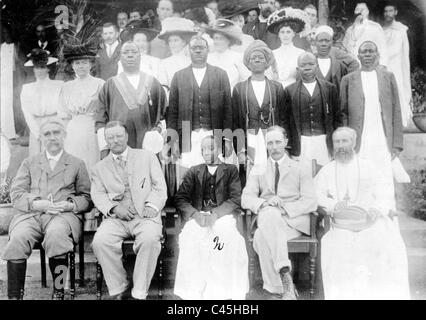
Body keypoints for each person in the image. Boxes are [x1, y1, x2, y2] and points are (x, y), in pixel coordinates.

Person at [315, 127, 410, 299]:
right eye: (337, 142)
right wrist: (333, 205)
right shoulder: (327, 170)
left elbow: (384, 191)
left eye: (345, 141)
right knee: (338, 248)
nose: (341, 146)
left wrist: (377, 208)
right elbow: (316, 195)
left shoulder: (369, 167)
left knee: (386, 243)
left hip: (369, 221)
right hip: (341, 225)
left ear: (354, 143)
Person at [2, 119, 91, 300]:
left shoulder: (76, 163)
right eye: (47, 134)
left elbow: (87, 198)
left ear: (64, 136)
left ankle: (58, 292)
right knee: (18, 237)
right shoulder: (29, 162)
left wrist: (71, 205)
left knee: (57, 235)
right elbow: (17, 194)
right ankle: (14, 296)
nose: (52, 138)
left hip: (63, 216)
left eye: (56, 133)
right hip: (32, 215)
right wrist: (36, 204)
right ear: (41, 138)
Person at [91, 121, 167, 300]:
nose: (115, 141)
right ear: (106, 141)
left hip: (145, 216)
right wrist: (115, 208)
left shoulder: (147, 157)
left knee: (149, 239)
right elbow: (99, 195)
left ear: (126, 137)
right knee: (100, 241)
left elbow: (160, 187)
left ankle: (139, 291)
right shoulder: (99, 168)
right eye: (110, 137)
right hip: (116, 219)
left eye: (119, 136)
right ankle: (119, 286)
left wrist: (152, 206)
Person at [241, 126, 317, 300]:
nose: (274, 147)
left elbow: (310, 201)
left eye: (277, 142)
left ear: (286, 143)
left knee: (262, 235)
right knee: (268, 216)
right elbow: (246, 198)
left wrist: (284, 209)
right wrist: (266, 202)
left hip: (293, 222)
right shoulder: (258, 168)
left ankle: (277, 288)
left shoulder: (300, 167)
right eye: (270, 143)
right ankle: (285, 282)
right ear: (265, 146)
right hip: (269, 218)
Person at [173, 135, 248, 299]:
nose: (207, 152)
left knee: (222, 238)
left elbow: (236, 198)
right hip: (198, 216)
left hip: (222, 216)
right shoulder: (195, 171)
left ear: (221, 150)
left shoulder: (230, 170)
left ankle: (217, 292)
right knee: (191, 237)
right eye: (203, 149)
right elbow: (180, 198)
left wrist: (216, 214)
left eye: (211, 148)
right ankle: (193, 290)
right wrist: (194, 214)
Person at [340, 41, 403, 212]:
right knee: (359, 179)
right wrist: (345, 141)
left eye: (371, 51)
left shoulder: (388, 77)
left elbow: (396, 110)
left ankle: (387, 220)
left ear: (378, 54)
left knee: (384, 181)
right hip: (359, 140)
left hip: (382, 139)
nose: (367, 55)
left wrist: (397, 144)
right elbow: (343, 112)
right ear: (358, 56)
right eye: (363, 52)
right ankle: (360, 218)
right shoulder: (348, 79)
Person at [166, 36, 232, 174]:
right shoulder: (179, 76)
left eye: (201, 48)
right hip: (187, 134)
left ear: (208, 50)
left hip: (214, 134)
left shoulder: (221, 75)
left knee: (214, 174)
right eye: (194, 48)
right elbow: (172, 111)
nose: (197, 51)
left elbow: (227, 110)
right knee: (189, 175)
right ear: (188, 51)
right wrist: (173, 140)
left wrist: (226, 138)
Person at [95, 41, 167, 156]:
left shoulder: (153, 83)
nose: (130, 55)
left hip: (147, 147)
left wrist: (157, 133)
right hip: (118, 144)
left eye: (134, 52)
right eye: (125, 52)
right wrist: (104, 149)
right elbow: (101, 120)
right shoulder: (110, 85)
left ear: (140, 56)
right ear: (120, 57)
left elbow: (164, 115)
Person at [232, 40, 286, 183]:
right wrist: (240, 149)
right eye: (253, 58)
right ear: (248, 63)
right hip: (250, 136)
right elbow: (236, 121)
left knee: (273, 172)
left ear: (267, 62)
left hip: (270, 136)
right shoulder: (240, 88)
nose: (257, 60)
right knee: (250, 175)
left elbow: (283, 117)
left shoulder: (277, 87)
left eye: (261, 57)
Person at [284, 52, 340, 166]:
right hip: (301, 142)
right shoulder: (290, 91)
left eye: (311, 64)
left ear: (317, 66)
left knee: (324, 175)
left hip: (323, 141)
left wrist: (336, 142)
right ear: (297, 68)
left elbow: (337, 118)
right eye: (303, 65)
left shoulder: (329, 88)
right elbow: (285, 120)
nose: (307, 68)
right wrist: (289, 145)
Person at [59, 42, 105, 172]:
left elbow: (104, 110)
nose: (81, 66)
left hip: (92, 129)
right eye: (77, 63)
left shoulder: (100, 84)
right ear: (72, 66)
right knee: (74, 163)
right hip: (73, 130)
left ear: (90, 64)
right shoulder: (66, 87)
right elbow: (64, 115)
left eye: (84, 62)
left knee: (91, 162)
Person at [20, 49, 63, 156]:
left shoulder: (58, 86)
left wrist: (55, 128)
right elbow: (27, 113)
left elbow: (62, 108)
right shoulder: (27, 88)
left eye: (42, 67)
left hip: (54, 124)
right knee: (37, 158)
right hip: (36, 127)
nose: (39, 71)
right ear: (33, 69)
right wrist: (37, 133)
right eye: (37, 68)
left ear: (48, 69)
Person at [383, 3, 412, 127]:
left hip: (396, 65)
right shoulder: (381, 29)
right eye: (386, 11)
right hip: (383, 64)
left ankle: (400, 120)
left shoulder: (401, 29)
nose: (388, 14)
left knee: (397, 88)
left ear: (396, 12)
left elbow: (399, 49)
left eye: (390, 11)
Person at [267, 8, 307, 88]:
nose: (285, 35)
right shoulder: (272, 53)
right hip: (276, 91)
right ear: (278, 35)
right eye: (282, 32)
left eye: (288, 32)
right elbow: (269, 76)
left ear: (293, 34)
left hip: (295, 91)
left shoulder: (301, 53)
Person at [205, 19, 251, 89]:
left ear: (229, 41)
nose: (217, 41)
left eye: (221, 38)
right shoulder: (207, 58)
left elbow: (246, 80)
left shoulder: (238, 57)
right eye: (215, 38)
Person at [157, 17, 197, 93]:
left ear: (183, 42)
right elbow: (163, 84)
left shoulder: (191, 61)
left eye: (176, 40)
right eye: (170, 41)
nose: (173, 44)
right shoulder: (164, 63)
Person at [343, 2, 388, 67]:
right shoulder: (350, 30)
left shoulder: (375, 27)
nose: (360, 12)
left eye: (362, 9)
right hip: (354, 67)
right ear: (354, 12)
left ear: (367, 11)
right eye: (357, 9)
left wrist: (383, 64)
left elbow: (383, 47)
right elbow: (345, 48)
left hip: (371, 66)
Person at [313, 25, 349, 94]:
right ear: (315, 42)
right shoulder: (308, 63)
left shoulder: (341, 67)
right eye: (320, 41)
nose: (324, 44)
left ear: (332, 42)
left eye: (327, 41)